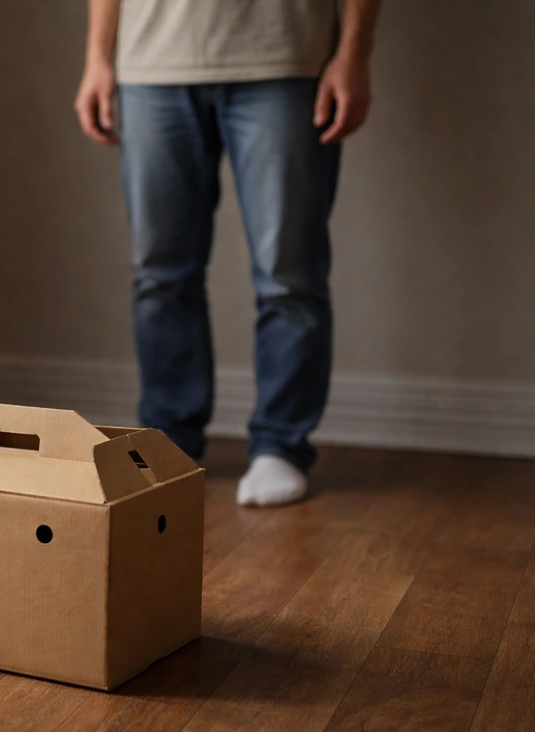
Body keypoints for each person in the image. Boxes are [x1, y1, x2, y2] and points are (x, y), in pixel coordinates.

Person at [75, 0, 382, 507]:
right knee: (160, 275)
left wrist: (352, 53)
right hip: (152, 63)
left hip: (286, 59)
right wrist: (97, 58)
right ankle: (168, 440)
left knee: (289, 275)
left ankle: (280, 446)